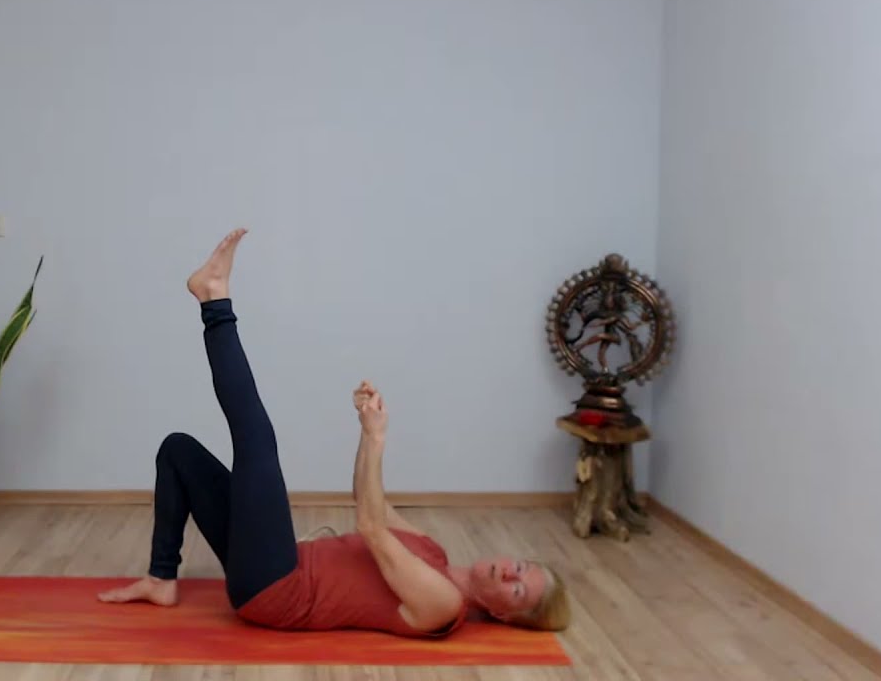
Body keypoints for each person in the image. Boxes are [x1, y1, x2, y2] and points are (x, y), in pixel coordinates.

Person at [98, 228, 571, 637]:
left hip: (277, 590)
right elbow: (371, 505)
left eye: (517, 589)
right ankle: (161, 578)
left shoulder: (444, 604)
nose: (509, 573)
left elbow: (369, 527)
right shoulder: (434, 552)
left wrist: (378, 440)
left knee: (256, 439)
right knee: (179, 451)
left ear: (503, 614)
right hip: (276, 564)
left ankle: (214, 298)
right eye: (521, 568)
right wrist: (367, 430)